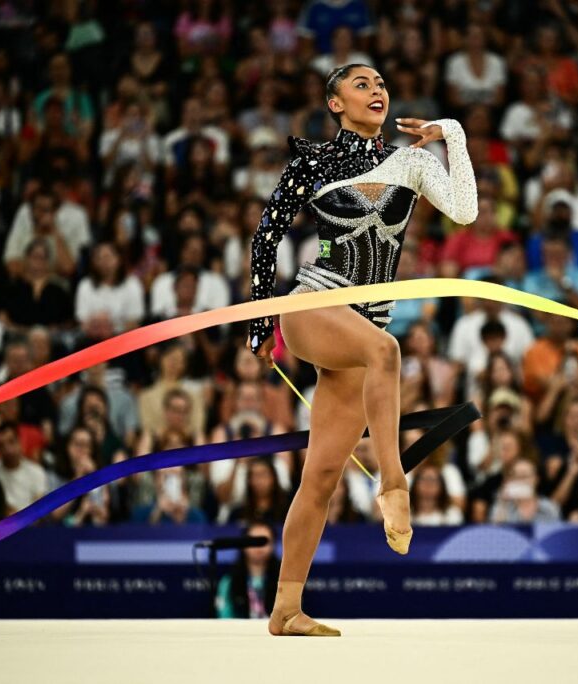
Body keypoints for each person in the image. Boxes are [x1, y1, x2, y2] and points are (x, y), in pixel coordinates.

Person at [245, 63, 477, 636]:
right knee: (389, 353)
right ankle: (393, 484)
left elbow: (467, 211)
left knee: (320, 476)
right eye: (361, 85)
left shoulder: (414, 162)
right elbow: (266, 234)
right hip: (314, 304)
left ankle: (286, 610)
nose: (376, 92)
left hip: (362, 325)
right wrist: (259, 317)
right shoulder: (314, 162)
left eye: (380, 84)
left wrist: (452, 133)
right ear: (334, 103)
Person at [215, 520, 281, 619]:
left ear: (273, 545)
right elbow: (224, 617)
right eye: (253, 541)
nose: (259, 547)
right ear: (244, 544)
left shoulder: (284, 582)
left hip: (275, 633)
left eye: (264, 541)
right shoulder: (228, 581)